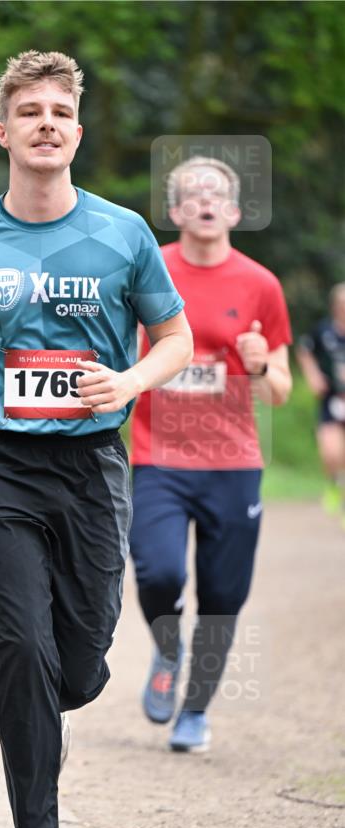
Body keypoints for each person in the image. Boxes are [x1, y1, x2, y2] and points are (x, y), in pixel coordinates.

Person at [0, 50, 192, 828]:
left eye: (58, 113)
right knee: (18, 644)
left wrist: (129, 379)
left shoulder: (121, 233)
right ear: (5, 131)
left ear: (77, 132)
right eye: (29, 113)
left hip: (93, 464)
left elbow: (174, 339)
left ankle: (45, 691)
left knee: (76, 662)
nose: (45, 126)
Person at [130, 156, 293, 753]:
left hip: (233, 462)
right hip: (157, 455)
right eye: (191, 193)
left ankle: (195, 710)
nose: (204, 200)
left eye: (216, 193)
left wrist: (256, 364)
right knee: (159, 573)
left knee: (223, 597)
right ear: (175, 212)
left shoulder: (260, 284)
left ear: (233, 211)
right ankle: (167, 648)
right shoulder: (149, 272)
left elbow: (281, 388)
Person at [296, 282, 345, 517]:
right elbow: (304, 350)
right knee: (331, 452)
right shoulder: (323, 331)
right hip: (331, 401)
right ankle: (334, 485)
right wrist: (313, 375)